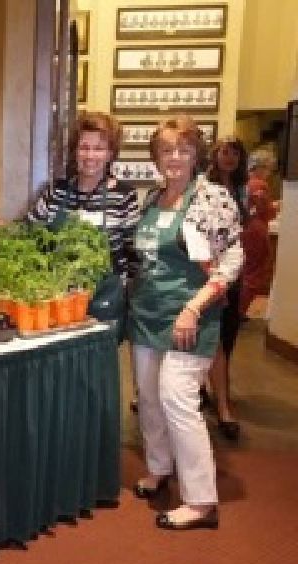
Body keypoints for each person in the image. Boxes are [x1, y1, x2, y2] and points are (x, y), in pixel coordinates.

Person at [128, 115, 243, 530]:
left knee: (177, 399)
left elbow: (231, 259)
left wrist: (193, 307)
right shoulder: (151, 199)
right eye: (166, 150)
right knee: (149, 399)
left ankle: (201, 500)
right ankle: (159, 468)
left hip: (190, 318)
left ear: (196, 155)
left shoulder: (212, 199)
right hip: (147, 315)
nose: (174, 157)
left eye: (183, 149)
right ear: (156, 157)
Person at [29, 111, 140, 283]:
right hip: (58, 291)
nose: (90, 155)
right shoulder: (55, 191)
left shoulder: (124, 196)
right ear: (75, 151)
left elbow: (134, 256)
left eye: (99, 149)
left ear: (110, 154)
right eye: (84, 147)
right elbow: (29, 233)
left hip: (106, 294)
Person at [204, 136, 249, 440]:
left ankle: (217, 394)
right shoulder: (204, 187)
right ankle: (221, 404)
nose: (229, 158)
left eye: (235, 153)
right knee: (212, 335)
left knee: (226, 336)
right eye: (224, 152)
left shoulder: (243, 189)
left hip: (233, 269)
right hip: (207, 270)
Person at [239, 177, 276, 315]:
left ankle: (238, 312)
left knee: (247, 271)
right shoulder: (258, 185)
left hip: (249, 228)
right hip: (255, 229)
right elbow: (265, 209)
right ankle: (239, 312)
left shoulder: (248, 183)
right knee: (253, 274)